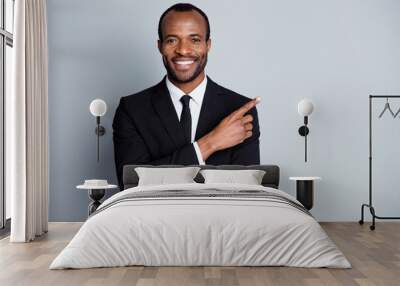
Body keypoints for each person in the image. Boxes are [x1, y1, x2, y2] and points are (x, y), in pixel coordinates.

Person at [113, 3, 261, 188]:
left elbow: (246, 192)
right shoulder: (132, 110)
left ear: (208, 45)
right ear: (160, 46)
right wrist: (209, 143)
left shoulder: (240, 111)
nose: (183, 50)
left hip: (220, 217)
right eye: (172, 40)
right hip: (156, 216)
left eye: (195, 39)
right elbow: (132, 184)